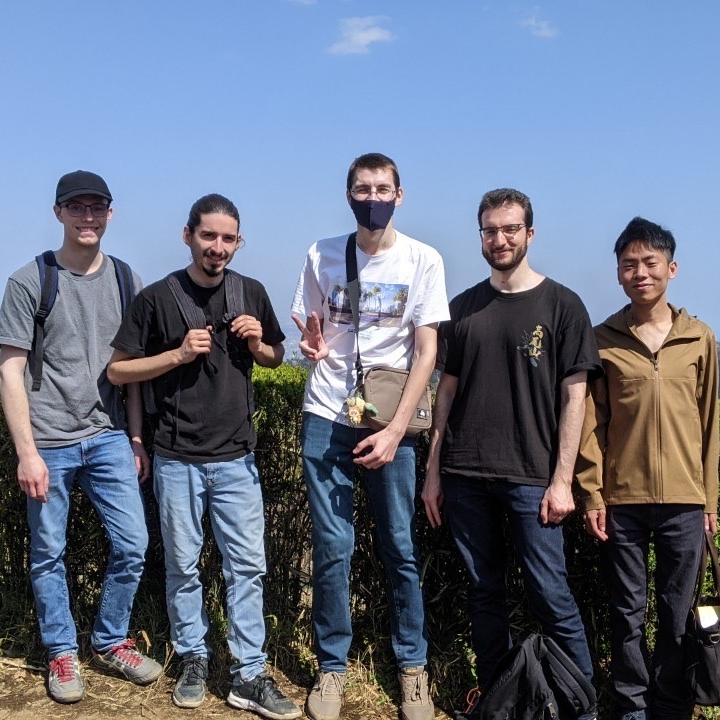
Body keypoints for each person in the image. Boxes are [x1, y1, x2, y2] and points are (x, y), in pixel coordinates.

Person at [107, 194, 300, 718]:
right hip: (175, 458)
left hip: (237, 458)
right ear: (188, 234)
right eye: (208, 236)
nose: (218, 247)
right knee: (183, 567)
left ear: (240, 242)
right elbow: (118, 371)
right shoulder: (156, 299)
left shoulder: (251, 292)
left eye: (228, 238)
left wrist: (261, 344)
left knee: (247, 569)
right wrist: (174, 355)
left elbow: (277, 356)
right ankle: (193, 658)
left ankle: (249, 674)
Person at [423, 188, 600, 717]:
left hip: (532, 478)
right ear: (480, 235)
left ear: (529, 232)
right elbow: (445, 394)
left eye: (509, 229)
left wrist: (562, 479)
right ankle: (501, 703)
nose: (499, 239)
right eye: (489, 230)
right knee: (484, 595)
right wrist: (433, 472)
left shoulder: (563, 305)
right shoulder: (463, 308)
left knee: (551, 594)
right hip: (464, 474)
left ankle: (582, 706)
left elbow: (576, 396)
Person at [291, 152, 448, 720]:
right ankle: (332, 669)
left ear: (399, 195)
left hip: (391, 424)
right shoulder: (321, 253)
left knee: (400, 548)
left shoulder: (422, 259)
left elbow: (427, 350)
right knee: (332, 550)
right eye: (363, 188)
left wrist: (396, 431)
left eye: (383, 188)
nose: (373, 197)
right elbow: (311, 330)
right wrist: (310, 347)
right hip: (327, 414)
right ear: (349, 194)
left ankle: (413, 667)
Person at [0, 170, 161, 703]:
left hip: (110, 434)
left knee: (134, 542)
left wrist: (136, 438)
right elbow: (9, 368)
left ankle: (110, 639)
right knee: (49, 551)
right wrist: (26, 452)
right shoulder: (30, 281)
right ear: (58, 213)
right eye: (77, 207)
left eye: (97, 207)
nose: (87, 217)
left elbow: (130, 366)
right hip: (48, 439)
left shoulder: (124, 278)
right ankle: (61, 651)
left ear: (110, 214)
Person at [576, 217, 719, 720]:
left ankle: (674, 707)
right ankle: (633, 707)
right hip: (623, 501)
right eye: (629, 264)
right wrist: (592, 494)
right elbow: (591, 425)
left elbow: (711, 425)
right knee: (626, 613)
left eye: (650, 263)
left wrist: (710, 501)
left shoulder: (700, 339)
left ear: (671, 269)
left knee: (677, 614)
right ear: (617, 273)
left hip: (685, 500)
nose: (640, 272)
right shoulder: (603, 339)